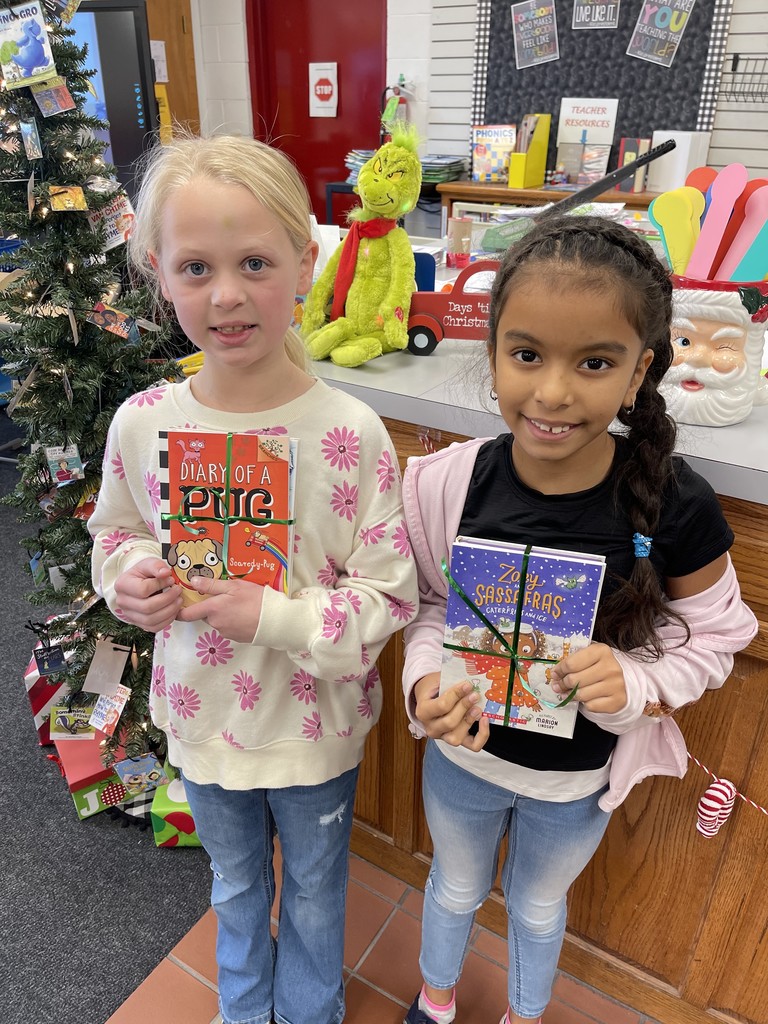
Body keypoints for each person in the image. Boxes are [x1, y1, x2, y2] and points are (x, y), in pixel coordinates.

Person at [88, 133, 418, 1024]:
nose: (226, 295)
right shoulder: (143, 422)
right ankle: (243, 1011)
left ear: (307, 262)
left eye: (255, 263)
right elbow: (114, 533)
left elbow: (389, 594)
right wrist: (127, 582)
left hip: (314, 726)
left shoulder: (350, 429)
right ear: (159, 272)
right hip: (201, 716)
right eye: (195, 266)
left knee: (314, 890)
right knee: (234, 886)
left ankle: (310, 1013)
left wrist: (273, 614)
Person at [399, 216, 758, 1024]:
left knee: (535, 908)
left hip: (577, 783)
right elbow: (426, 607)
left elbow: (720, 639)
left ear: (639, 373)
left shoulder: (674, 501)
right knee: (453, 887)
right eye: (526, 355)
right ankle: (436, 1000)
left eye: (594, 362)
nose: (554, 392)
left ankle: (524, 1015)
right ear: (491, 356)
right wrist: (426, 681)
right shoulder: (447, 483)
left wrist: (634, 678)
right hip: (463, 766)